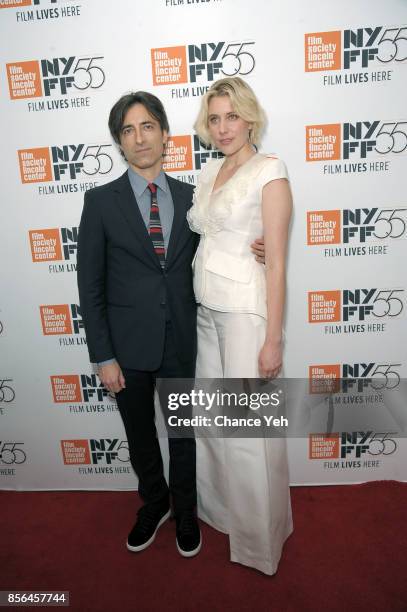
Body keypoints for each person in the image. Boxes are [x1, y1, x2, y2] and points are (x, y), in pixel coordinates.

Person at [77, 91, 201, 557]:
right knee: (139, 435)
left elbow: (214, 256)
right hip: (126, 348)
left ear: (165, 134)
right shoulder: (100, 202)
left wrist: (260, 248)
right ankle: (155, 500)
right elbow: (90, 287)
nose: (139, 137)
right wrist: (103, 356)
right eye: (128, 130)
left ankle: (186, 509)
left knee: (183, 433)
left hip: (181, 341)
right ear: (119, 143)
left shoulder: (194, 198)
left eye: (147, 125)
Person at [187, 77, 293, 575]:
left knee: (249, 432)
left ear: (249, 117)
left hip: (246, 315)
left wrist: (273, 337)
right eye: (214, 118)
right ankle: (225, 517)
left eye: (232, 116)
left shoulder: (270, 171)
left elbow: (276, 261)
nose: (223, 127)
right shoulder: (210, 172)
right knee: (213, 424)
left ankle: (259, 545)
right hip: (205, 310)